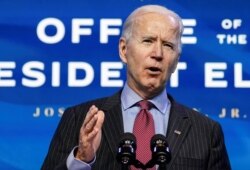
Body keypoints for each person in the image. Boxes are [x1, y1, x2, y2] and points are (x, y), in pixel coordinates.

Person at [42, 4, 231, 170]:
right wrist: (82, 159)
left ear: (176, 61)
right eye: (148, 41)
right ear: (124, 50)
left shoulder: (206, 132)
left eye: (168, 45)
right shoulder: (78, 119)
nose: (157, 53)